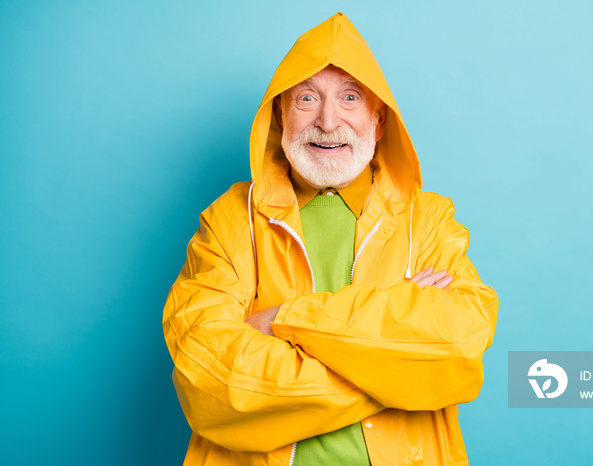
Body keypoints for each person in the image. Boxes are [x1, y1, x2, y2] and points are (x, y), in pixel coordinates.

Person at [163, 12, 498, 466]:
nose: (327, 120)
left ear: (378, 121)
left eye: (349, 97)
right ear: (281, 116)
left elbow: (458, 342)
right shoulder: (230, 221)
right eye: (306, 98)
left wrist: (283, 319)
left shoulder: (429, 220)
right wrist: (394, 372)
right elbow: (208, 376)